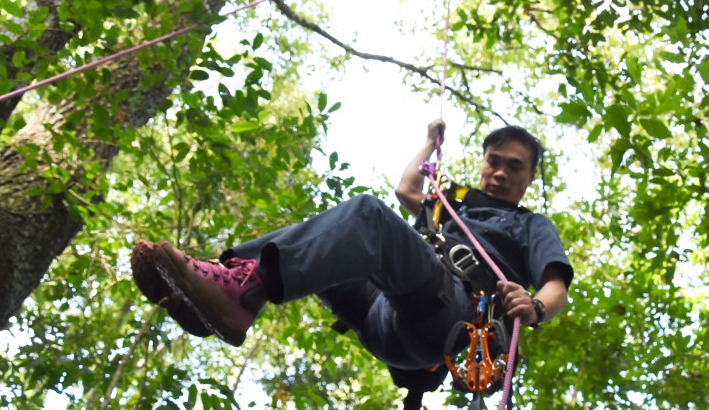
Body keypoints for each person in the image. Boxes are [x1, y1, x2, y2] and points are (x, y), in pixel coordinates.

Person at [130, 119, 573, 380]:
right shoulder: (452, 206)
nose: (499, 173)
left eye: (513, 167)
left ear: (529, 177)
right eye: (493, 161)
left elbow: (557, 286)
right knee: (331, 240)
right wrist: (428, 145)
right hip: (382, 312)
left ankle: (237, 293)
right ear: (483, 162)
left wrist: (534, 307)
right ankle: (220, 292)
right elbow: (407, 189)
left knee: (367, 216)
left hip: (447, 315)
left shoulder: (529, 224)